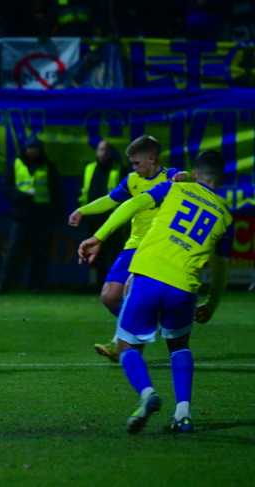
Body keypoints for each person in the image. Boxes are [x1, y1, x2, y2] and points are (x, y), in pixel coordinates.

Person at [77, 150, 233, 434]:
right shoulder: (226, 217)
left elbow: (132, 205)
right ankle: (183, 414)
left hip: (148, 275)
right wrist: (212, 303)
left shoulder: (173, 187)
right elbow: (222, 272)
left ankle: (148, 394)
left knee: (126, 346)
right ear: (221, 180)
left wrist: (98, 236)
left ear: (194, 174)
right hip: (184, 286)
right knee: (179, 346)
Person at [69, 135, 185, 362]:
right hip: (132, 246)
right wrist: (83, 210)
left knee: (130, 292)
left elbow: (190, 178)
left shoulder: (171, 178)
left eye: (137, 163)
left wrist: (185, 176)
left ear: (152, 159)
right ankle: (144, 321)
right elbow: (111, 200)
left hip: (155, 248)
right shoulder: (132, 180)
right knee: (109, 296)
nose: (133, 168)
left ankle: (118, 343)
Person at [0, 135, 65, 295]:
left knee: (39, 252)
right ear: (25, 149)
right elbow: (6, 187)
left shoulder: (48, 166)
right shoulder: (16, 164)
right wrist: (20, 196)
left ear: (40, 150)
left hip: (42, 216)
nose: (32, 151)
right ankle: (2, 284)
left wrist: (53, 213)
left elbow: (58, 192)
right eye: (30, 148)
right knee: (13, 250)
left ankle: (35, 285)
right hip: (21, 214)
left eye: (35, 148)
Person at [76, 140, 130, 287]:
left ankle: (115, 287)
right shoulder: (88, 169)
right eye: (101, 150)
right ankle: (99, 286)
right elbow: (81, 193)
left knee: (114, 256)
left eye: (107, 150)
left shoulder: (120, 170)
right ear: (96, 152)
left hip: (113, 223)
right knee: (96, 257)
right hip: (92, 222)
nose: (104, 153)